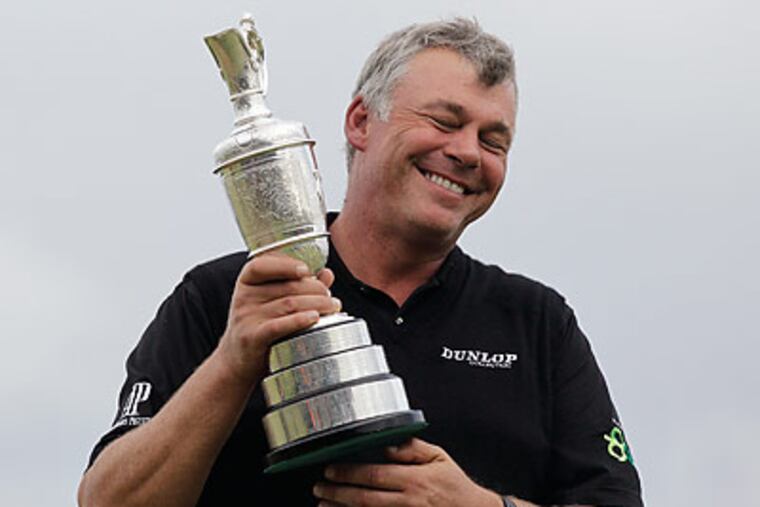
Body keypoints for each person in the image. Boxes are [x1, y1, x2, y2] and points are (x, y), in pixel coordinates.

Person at [78, 18, 643, 507]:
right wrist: (233, 360)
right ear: (360, 122)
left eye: (493, 141)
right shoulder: (220, 297)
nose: (468, 152)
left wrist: (476, 504)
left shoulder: (536, 322)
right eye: (445, 122)